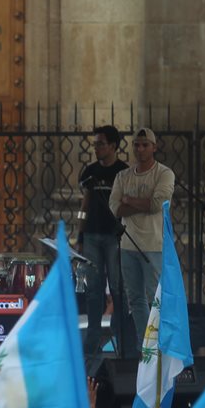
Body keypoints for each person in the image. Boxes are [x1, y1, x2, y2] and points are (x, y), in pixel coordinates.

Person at [109, 127, 176, 342]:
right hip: (128, 245)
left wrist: (129, 200)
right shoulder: (123, 176)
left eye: (145, 145)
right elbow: (114, 208)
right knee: (135, 299)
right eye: (136, 145)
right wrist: (139, 204)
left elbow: (157, 204)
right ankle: (144, 345)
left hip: (153, 244)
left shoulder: (164, 174)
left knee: (155, 297)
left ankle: (160, 344)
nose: (140, 149)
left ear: (154, 147)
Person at [79, 125, 132, 357]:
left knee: (118, 288)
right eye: (96, 144)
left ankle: (121, 338)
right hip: (92, 235)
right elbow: (84, 205)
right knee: (94, 289)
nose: (97, 148)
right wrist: (79, 233)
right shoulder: (89, 172)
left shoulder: (123, 172)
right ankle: (91, 342)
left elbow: (128, 205)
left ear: (113, 146)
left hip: (114, 236)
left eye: (101, 143)